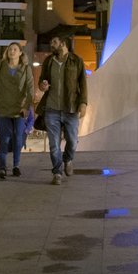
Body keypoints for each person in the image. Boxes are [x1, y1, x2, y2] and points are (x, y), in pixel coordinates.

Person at [38, 35, 87, 185]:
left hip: (70, 108)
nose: (51, 44)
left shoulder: (76, 61)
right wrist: (42, 86)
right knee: (54, 144)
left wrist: (83, 103)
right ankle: (57, 172)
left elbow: (83, 84)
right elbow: (42, 81)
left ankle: (68, 159)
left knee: (72, 140)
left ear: (63, 43)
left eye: (54, 41)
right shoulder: (49, 61)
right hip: (51, 109)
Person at [0, 42, 34, 179]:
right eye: (10, 49)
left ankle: (16, 166)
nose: (12, 51)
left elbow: (30, 89)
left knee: (18, 137)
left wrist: (26, 106)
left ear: (20, 53)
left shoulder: (26, 68)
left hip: (19, 109)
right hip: (3, 108)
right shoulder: (1, 65)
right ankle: (2, 167)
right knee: (4, 138)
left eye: (15, 49)